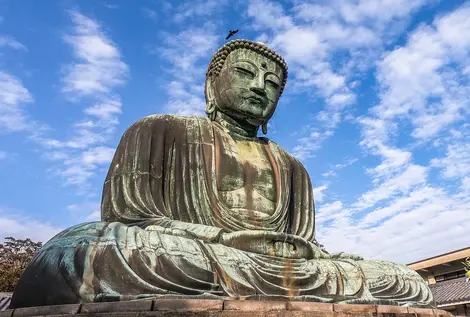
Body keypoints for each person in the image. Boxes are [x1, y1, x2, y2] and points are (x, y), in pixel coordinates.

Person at [10, 40, 434, 308]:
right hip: (190, 251)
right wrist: (223, 239)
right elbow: (127, 219)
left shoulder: (293, 167)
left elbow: (305, 246)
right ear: (212, 85)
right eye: (246, 73)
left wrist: (314, 256)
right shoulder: (159, 130)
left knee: (406, 281)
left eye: (273, 84)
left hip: (268, 265)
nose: (260, 88)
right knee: (83, 251)